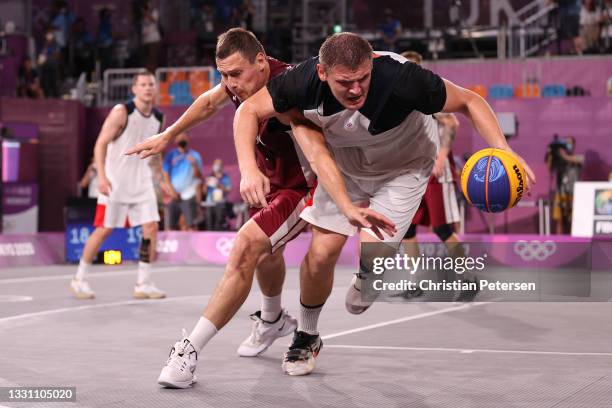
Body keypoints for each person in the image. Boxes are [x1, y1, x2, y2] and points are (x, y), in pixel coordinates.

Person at [234, 32, 536, 375]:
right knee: (320, 255)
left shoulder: (403, 77)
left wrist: (503, 149)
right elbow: (247, 111)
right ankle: (307, 335)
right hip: (346, 166)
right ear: (321, 73)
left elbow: (469, 101)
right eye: (345, 82)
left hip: (404, 168)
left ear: (372, 66)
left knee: (373, 255)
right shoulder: (302, 80)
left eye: (363, 78)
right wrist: (247, 168)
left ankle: (369, 274)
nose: (356, 89)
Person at [126, 29, 389, 388]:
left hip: (308, 187)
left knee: (247, 245)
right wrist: (167, 134)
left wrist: (253, 171)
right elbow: (208, 102)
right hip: (277, 184)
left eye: (235, 74)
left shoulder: (291, 88)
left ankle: (188, 351)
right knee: (266, 251)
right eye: (223, 74)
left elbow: (313, 149)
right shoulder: (238, 86)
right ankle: (272, 319)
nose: (229, 83)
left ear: (261, 62)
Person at [69, 70, 170, 300]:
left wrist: (162, 181)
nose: (147, 88)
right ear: (134, 89)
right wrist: (102, 177)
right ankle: (79, 278)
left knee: (151, 228)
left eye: (151, 84)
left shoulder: (159, 118)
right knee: (104, 230)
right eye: (143, 84)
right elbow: (100, 144)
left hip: (142, 184)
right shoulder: (121, 112)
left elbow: (154, 156)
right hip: (115, 183)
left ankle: (143, 283)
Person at [396, 51, 474, 302]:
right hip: (412, 173)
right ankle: (415, 282)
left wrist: (441, 158)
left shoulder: (426, 93)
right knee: (407, 230)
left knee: (442, 228)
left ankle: (468, 279)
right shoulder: (399, 96)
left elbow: (452, 123)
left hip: (435, 173)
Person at [163, 133, 203, 231]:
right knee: (170, 226)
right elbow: (165, 175)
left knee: (191, 225)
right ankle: (170, 245)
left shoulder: (195, 155)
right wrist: (172, 191)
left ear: (188, 139)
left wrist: (194, 164)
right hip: (174, 195)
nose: (182, 139)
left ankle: (194, 245)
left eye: (184, 137)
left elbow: (199, 176)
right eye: (179, 137)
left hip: (189, 195)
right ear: (176, 141)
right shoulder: (171, 155)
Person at [204, 158, 231, 230]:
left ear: (222, 166)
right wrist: (205, 185)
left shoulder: (225, 177)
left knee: (219, 222)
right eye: (215, 164)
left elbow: (228, 189)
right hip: (209, 203)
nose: (216, 166)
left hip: (220, 202)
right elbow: (204, 191)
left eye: (218, 164)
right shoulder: (210, 176)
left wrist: (219, 185)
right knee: (209, 222)